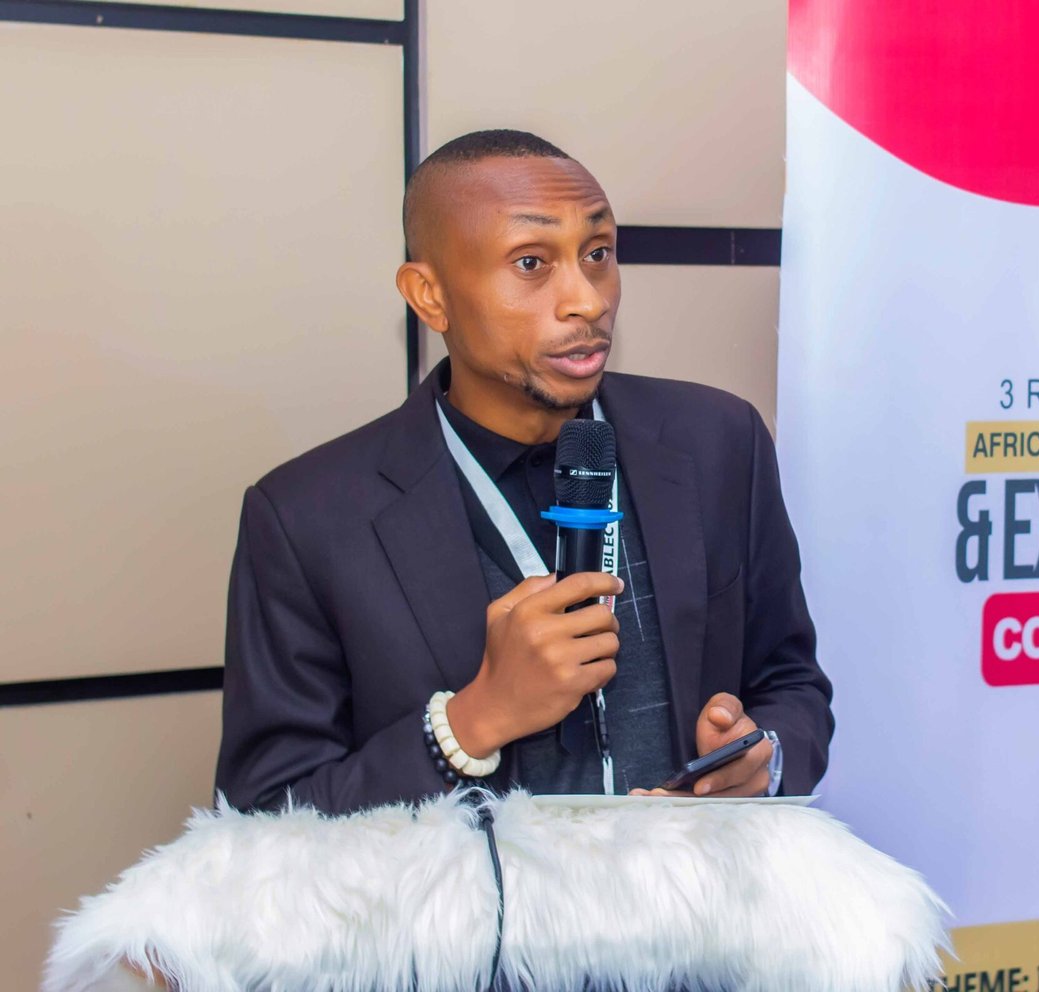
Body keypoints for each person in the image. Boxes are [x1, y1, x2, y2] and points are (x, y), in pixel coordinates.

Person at [214, 129, 832, 814]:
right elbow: (267, 812)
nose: (588, 300)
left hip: (696, 883)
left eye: (598, 254)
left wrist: (763, 759)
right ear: (430, 295)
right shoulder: (307, 517)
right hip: (473, 890)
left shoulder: (719, 442)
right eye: (532, 263)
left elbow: (792, 683)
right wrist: (471, 722)